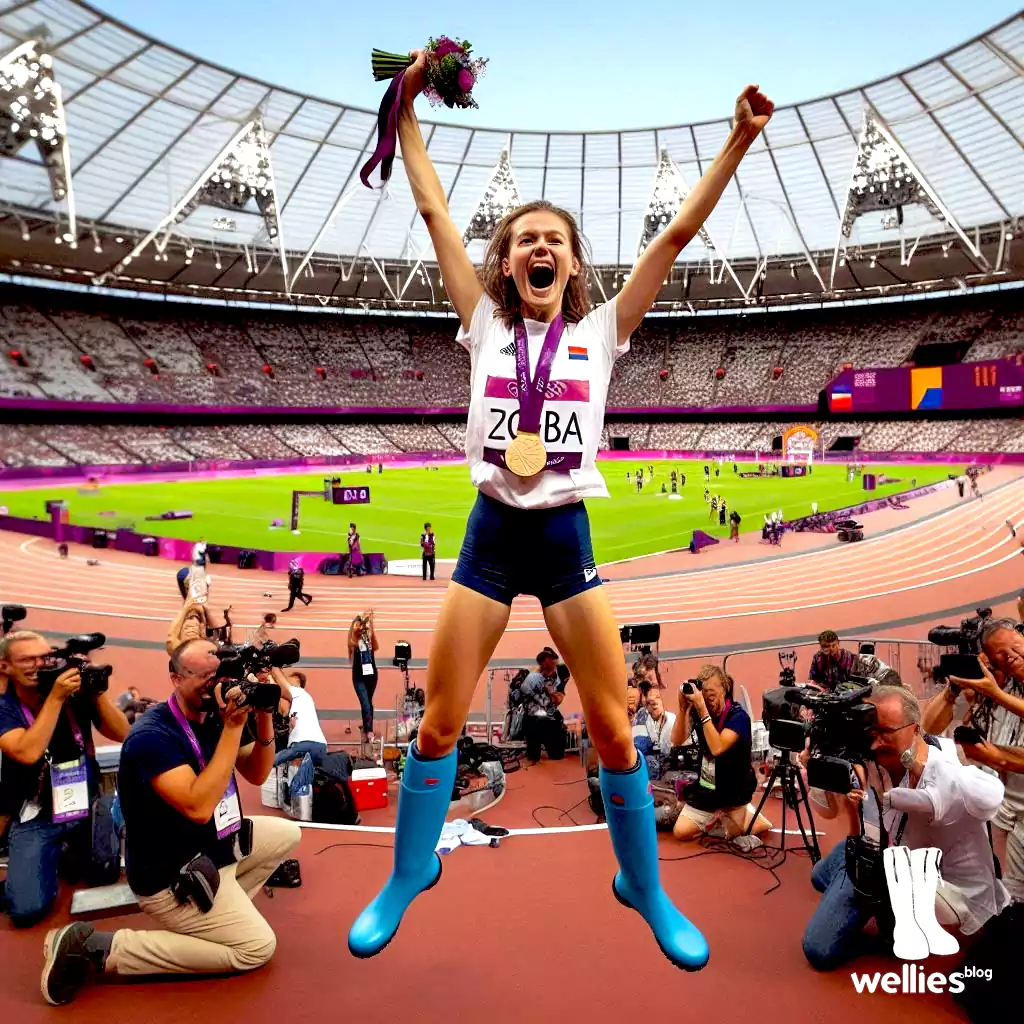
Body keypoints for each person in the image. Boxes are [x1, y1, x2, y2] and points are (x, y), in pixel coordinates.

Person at [347, 49, 773, 971]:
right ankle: (405, 874)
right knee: (436, 726)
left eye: (556, 239)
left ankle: (646, 888)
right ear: (505, 260)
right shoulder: (485, 324)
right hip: (493, 534)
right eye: (523, 238)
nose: (539, 247)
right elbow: (429, 208)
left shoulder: (600, 332)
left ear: (574, 262)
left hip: (564, 534)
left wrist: (737, 140)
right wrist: (406, 98)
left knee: (616, 726)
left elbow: (674, 239)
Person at [38, 638, 302, 1005]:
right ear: (175, 678)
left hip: (211, 847)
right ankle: (101, 948)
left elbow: (257, 773)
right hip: (169, 875)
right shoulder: (153, 736)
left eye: (219, 675)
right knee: (257, 948)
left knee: (288, 832)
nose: (215, 685)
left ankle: (216, 920)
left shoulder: (218, 714)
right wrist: (230, 728)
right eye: (203, 677)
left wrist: (262, 713)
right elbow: (198, 806)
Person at [801, 686, 1008, 971]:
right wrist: (812, 768)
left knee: (819, 950)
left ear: (915, 728)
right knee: (817, 877)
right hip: (874, 851)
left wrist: (918, 767)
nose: (875, 741)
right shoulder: (863, 756)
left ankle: (874, 900)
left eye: (885, 731)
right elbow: (827, 811)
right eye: (869, 730)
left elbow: (990, 797)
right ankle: (850, 880)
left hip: (918, 873)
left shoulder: (947, 761)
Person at [0, 631, 130, 927]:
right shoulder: (5, 707)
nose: (39, 665)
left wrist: (97, 694)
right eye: (27, 659)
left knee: (103, 872)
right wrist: (56, 698)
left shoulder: (74, 691)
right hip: (38, 813)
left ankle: (67, 852)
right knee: (26, 911)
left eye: (45, 656)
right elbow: (27, 751)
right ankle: (35, 866)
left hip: (85, 805)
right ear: (5, 667)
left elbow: (122, 733)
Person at [669, 665, 771, 842]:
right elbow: (677, 740)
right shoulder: (699, 711)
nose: (708, 702)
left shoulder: (738, 717)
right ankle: (720, 821)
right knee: (681, 832)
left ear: (724, 690)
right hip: (708, 789)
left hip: (734, 789)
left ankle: (743, 816)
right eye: (704, 696)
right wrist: (683, 708)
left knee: (759, 828)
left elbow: (717, 747)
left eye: (712, 696)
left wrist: (702, 709)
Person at [274, 671, 327, 768]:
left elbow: (278, 685)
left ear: (298, 683)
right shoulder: (301, 703)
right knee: (307, 778)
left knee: (271, 762)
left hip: (304, 743)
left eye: (289, 682)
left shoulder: (299, 692)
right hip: (320, 746)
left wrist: (272, 669)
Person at [348, 611, 379, 743]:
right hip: (358, 677)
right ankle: (369, 731)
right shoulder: (353, 640)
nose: (361, 626)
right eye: (357, 624)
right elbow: (353, 641)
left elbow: (376, 647)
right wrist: (357, 630)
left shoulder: (368, 638)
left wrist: (371, 627)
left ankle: (367, 725)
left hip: (372, 675)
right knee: (365, 703)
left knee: (368, 703)